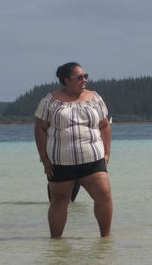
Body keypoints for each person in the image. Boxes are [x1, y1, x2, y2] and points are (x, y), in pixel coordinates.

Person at [34, 62, 112, 238]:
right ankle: (56, 244)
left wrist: (107, 153)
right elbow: (40, 128)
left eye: (86, 76)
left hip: (93, 160)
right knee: (59, 201)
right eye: (80, 77)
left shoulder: (95, 98)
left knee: (104, 195)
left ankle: (105, 240)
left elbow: (105, 125)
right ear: (66, 80)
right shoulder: (50, 101)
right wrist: (44, 159)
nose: (84, 80)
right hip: (61, 162)